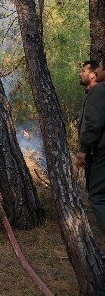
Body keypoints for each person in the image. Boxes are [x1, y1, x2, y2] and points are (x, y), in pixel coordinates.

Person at [75, 60, 105, 238]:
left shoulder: (99, 90)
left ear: (93, 74)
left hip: (101, 153)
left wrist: (83, 150)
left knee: (97, 198)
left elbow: (94, 125)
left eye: (83, 70)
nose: (80, 73)